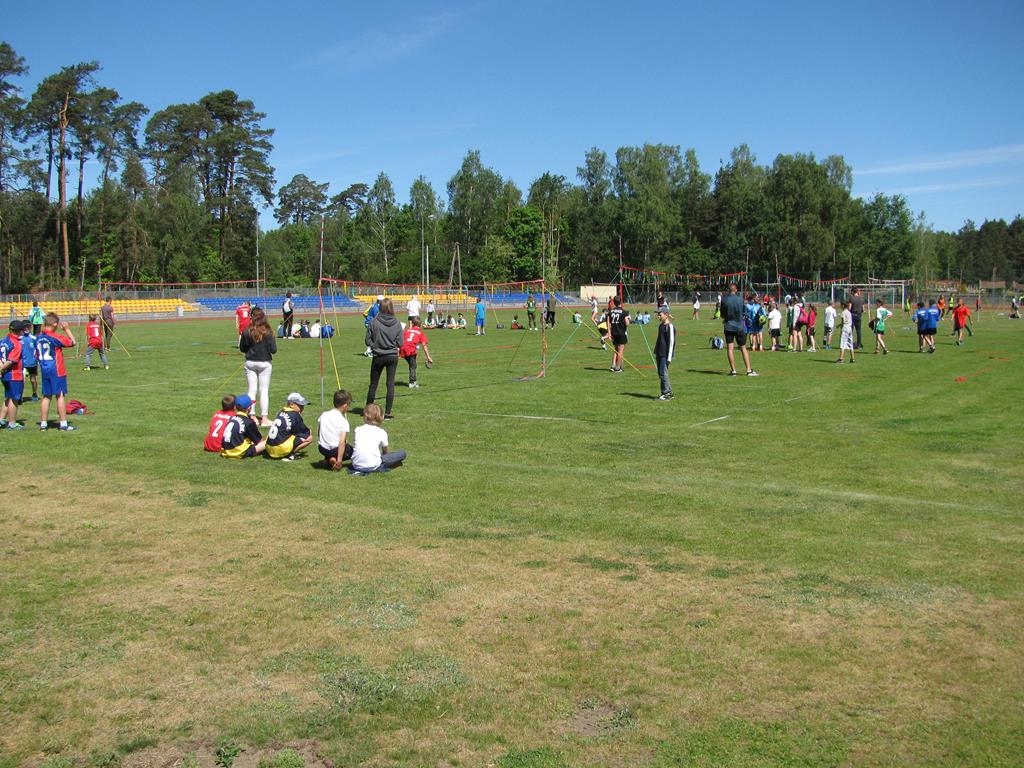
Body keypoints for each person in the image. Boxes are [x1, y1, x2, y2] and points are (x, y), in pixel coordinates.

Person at [36, 312, 77, 430]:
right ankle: (63, 424)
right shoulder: (55, 337)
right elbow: (72, 342)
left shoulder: (38, 337)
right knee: (59, 395)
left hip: (45, 369)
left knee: (46, 396)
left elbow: (36, 354)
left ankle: (43, 424)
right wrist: (67, 329)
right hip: (57, 370)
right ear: (54, 324)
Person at [238, 307, 276, 426]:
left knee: (252, 390)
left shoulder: (247, 331)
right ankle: (264, 419)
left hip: (250, 362)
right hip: (265, 363)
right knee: (264, 391)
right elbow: (273, 350)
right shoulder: (268, 331)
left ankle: (252, 415)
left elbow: (242, 348)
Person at [365, 297, 401, 419]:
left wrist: (375, 345)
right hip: (392, 356)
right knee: (390, 383)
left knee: (373, 384)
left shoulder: (373, 322)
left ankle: (368, 410)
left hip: (378, 356)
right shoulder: (397, 323)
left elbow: (367, 341)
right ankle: (388, 412)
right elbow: (400, 343)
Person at [350, 403, 406, 474]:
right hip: (374, 465)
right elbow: (385, 452)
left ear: (365, 417)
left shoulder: (358, 429)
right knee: (402, 453)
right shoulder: (381, 432)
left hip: (356, 465)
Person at [721, 283, 757, 376]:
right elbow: (745, 312)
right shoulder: (740, 299)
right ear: (736, 290)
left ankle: (733, 371)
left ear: (728, 290)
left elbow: (722, 314)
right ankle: (748, 370)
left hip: (728, 326)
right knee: (743, 348)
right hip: (739, 326)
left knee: (730, 349)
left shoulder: (724, 300)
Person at [265, 392, 314, 460]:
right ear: (291, 404)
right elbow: (305, 433)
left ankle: (283, 451)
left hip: (268, 448)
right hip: (279, 450)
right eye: (300, 405)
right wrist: (309, 431)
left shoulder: (281, 411)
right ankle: (290, 453)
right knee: (309, 438)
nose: (302, 408)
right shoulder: (295, 415)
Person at [220, 394, 266, 458]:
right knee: (266, 442)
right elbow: (259, 441)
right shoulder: (249, 422)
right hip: (237, 452)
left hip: (225, 451)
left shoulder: (231, 418)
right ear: (249, 408)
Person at [318, 389, 354, 470]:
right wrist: (339, 461)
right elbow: (342, 443)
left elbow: (319, 431)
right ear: (345, 406)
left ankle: (329, 459)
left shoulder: (324, 414)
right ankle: (335, 460)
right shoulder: (343, 421)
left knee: (334, 446)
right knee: (351, 450)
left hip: (322, 448)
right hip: (335, 450)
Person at [0, 320, 25, 430]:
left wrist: (1, 370)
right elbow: (11, 361)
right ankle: (12, 423)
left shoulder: (3, 341)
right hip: (14, 374)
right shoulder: (17, 344)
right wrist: (1, 369)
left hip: (5, 375)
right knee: (14, 399)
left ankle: (1, 419)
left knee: (8, 397)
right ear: (19, 331)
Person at [400, 317, 434, 388]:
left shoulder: (408, 330)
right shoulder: (421, 333)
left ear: (412, 324)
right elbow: (424, 346)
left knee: (413, 365)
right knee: (413, 365)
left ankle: (414, 381)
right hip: (410, 349)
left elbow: (401, 338)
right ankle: (412, 382)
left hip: (402, 348)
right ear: (420, 325)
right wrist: (428, 357)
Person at [654, 307, 676, 400]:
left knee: (663, 373)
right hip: (659, 352)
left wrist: (669, 357)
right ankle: (669, 391)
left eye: (660, 314)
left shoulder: (669, 326)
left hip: (665, 354)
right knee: (661, 373)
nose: (658, 316)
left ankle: (666, 393)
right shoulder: (661, 326)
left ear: (666, 315)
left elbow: (671, 343)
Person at [607, 296, 630, 373]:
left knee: (616, 349)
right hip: (621, 332)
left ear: (614, 302)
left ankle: (613, 365)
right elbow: (627, 323)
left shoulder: (611, 311)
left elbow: (608, 322)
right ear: (621, 302)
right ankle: (618, 367)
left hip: (614, 332)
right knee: (621, 350)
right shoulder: (624, 312)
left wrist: (609, 333)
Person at [19, 322, 38, 401]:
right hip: (22, 363)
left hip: (32, 363)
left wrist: (36, 357)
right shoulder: (19, 338)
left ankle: (34, 393)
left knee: (33, 380)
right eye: (24, 327)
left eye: (28, 327)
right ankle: (20, 397)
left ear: (30, 328)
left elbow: (37, 349)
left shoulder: (34, 338)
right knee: (21, 381)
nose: (26, 328)